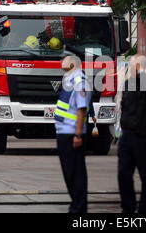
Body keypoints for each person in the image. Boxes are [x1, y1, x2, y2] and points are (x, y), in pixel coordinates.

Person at [118, 54, 146, 214]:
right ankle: (128, 208)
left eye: (132, 66)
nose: (129, 69)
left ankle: (145, 210)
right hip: (127, 136)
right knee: (123, 174)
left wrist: (142, 71)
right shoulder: (128, 84)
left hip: (144, 137)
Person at [54, 52, 92, 213]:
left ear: (74, 62)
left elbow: (81, 109)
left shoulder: (79, 81)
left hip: (71, 134)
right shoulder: (69, 80)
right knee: (69, 172)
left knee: (75, 172)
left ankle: (79, 207)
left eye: (64, 58)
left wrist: (78, 134)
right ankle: (76, 204)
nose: (61, 60)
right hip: (64, 132)